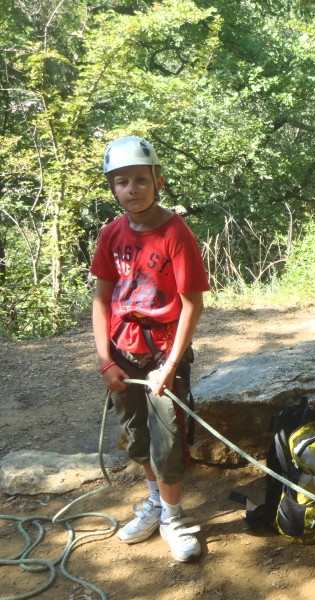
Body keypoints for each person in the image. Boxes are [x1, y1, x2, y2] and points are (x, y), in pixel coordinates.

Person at [91, 136, 210, 562]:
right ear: (113, 188)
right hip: (123, 353)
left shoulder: (176, 233)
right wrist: (105, 360)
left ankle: (173, 517)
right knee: (137, 436)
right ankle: (156, 502)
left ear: (158, 180)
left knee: (168, 438)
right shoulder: (111, 234)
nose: (132, 189)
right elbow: (102, 299)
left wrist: (171, 365)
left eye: (140, 179)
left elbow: (193, 303)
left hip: (164, 354)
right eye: (121, 181)